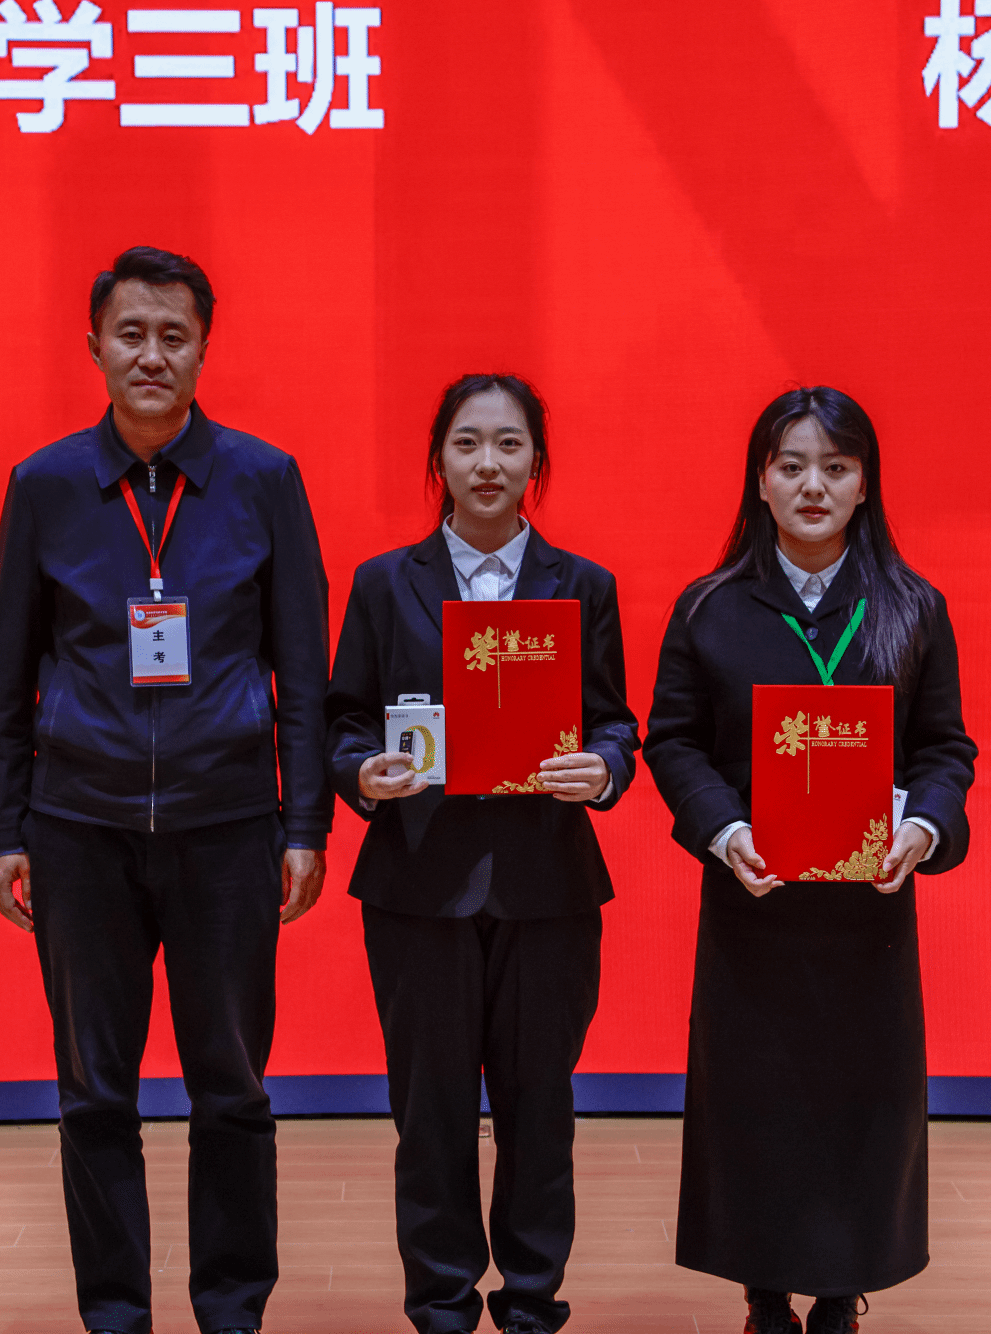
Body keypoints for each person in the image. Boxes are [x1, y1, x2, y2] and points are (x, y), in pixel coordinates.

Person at [0, 245, 332, 1334]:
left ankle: (232, 1309)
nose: (150, 354)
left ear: (202, 350)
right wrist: (4, 829)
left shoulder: (263, 479)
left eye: (173, 336)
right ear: (93, 346)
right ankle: (116, 1314)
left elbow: (301, 667)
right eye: (130, 333)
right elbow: (5, 670)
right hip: (77, 828)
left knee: (231, 1085)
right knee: (94, 1091)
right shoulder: (43, 486)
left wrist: (305, 824)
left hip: (228, 825)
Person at [643, 387, 976, 1334]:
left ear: (866, 482)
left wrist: (925, 827)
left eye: (836, 466)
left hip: (868, 917)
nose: (813, 486)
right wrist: (724, 830)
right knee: (757, 1106)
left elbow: (945, 750)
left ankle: (840, 1292)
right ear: (761, 481)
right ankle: (764, 1293)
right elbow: (674, 742)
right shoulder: (709, 608)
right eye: (791, 466)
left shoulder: (912, 607)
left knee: (860, 1107)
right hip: (755, 904)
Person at [324, 375, 641, 1334]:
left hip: (548, 884)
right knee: (429, 1110)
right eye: (467, 444)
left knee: (541, 1105)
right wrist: (361, 772)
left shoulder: (583, 585)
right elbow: (344, 719)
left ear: (536, 460)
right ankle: (442, 1303)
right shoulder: (386, 583)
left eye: (509, 444)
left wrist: (605, 768)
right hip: (419, 882)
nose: (488, 464)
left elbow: (616, 721)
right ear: (439, 460)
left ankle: (534, 1300)